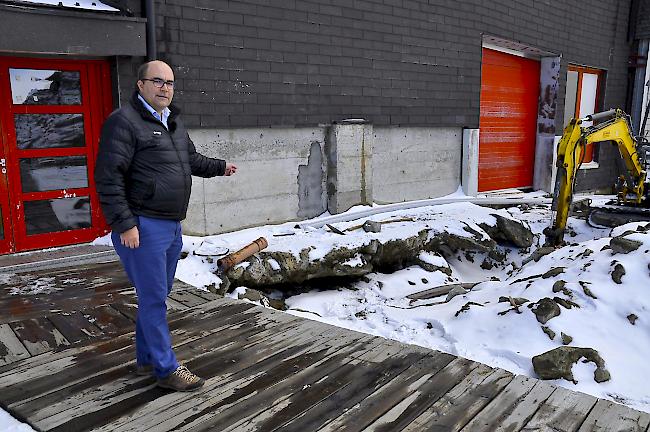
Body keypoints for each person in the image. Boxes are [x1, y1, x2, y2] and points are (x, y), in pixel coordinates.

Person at [94, 60, 237, 392]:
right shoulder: (124, 123)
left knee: (155, 295)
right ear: (140, 85)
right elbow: (108, 177)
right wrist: (126, 224)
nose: (165, 88)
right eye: (157, 81)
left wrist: (220, 167)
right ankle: (166, 368)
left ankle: (147, 359)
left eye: (170, 83)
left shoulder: (171, 121)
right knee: (155, 297)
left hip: (171, 225)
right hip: (143, 226)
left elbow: (190, 160)